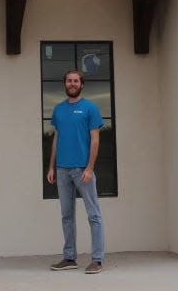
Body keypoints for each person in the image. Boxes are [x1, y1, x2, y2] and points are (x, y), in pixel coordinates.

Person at [46, 69, 105, 274]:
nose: (72, 83)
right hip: (62, 169)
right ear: (65, 84)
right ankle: (69, 257)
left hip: (82, 169)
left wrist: (90, 168)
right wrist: (51, 166)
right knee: (66, 216)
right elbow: (56, 138)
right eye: (69, 81)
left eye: (76, 81)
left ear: (82, 84)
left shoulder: (90, 108)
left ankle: (97, 260)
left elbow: (95, 140)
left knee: (93, 215)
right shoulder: (59, 110)